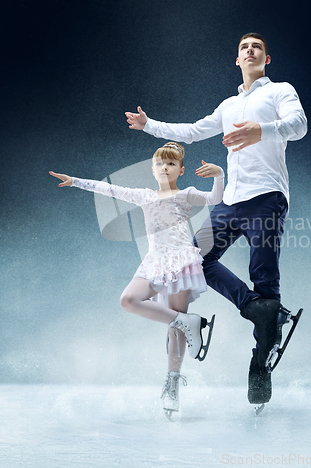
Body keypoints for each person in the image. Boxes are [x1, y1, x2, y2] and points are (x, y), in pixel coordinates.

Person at [125, 33, 307, 408]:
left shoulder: (280, 91)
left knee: (265, 277)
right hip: (230, 202)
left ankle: (260, 364)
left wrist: (262, 130)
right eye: (244, 48)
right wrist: (149, 126)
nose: (250, 51)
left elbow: (299, 125)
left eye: (257, 47)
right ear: (237, 59)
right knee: (194, 259)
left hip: (267, 198)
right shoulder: (228, 105)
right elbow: (192, 131)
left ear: (267, 59)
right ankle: (253, 307)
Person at [49, 141, 224, 419]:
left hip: (180, 262)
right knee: (129, 299)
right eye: (159, 164)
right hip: (154, 262)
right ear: (153, 170)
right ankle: (186, 322)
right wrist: (74, 182)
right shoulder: (144, 196)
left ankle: (172, 384)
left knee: (174, 328)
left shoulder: (186, 194)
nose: (164, 168)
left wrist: (218, 175)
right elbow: (109, 190)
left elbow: (215, 198)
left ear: (180, 169)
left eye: (170, 164)